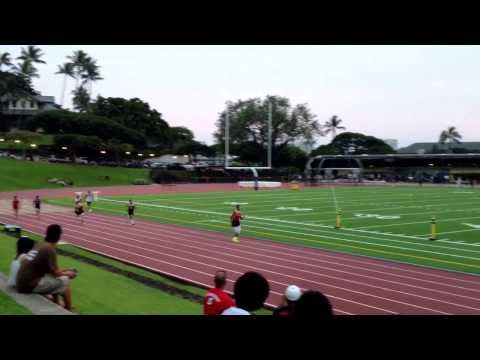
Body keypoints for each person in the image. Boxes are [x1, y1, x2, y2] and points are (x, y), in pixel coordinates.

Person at [16, 224, 77, 311]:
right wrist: (68, 274)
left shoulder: (40, 245)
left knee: (55, 278)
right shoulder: (49, 249)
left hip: (21, 283)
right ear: (58, 236)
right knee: (65, 280)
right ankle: (68, 310)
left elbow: (50, 271)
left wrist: (64, 271)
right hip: (28, 285)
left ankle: (57, 303)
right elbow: (56, 273)